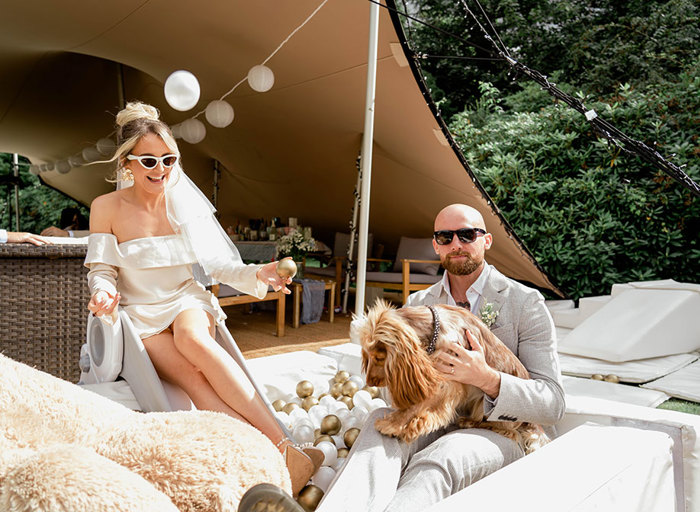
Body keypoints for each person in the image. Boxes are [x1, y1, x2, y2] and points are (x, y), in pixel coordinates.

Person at [237, 203, 565, 512]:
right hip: (433, 419)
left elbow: (552, 404)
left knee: (442, 458)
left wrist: (486, 378)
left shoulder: (524, 302)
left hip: (504, 431)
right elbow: (396, 393)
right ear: (436, 246)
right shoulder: (419, 302)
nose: (456, 243)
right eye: (445, 237)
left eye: (467, 234)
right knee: (379, 424)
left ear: (486, 240)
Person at [85, 101, 322, 496]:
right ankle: (272, 456)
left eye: (169, 159)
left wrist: (258, 274)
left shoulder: (183, 203)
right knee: (195, 381)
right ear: (127, 162)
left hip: (185, 300)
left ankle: (283, 446)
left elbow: (220, 267)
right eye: (148, 161)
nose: (161, 170)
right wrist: (103, 291)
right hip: (141, 315)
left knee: (193, 340)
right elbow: (102, 270)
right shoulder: (105, 207)